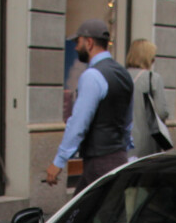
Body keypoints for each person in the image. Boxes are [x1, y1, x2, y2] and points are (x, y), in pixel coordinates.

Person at [45, 19, 133, 192]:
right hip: (118, 157)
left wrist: (59, 161)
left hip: (98, 161)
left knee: (90, 216)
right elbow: (128, 121)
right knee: (82, 214)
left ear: (89, 42)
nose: (76, 47)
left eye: (78, 42)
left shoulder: (92, 76)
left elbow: (79, 122)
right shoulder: (124, 74)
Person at [125, 38, 169, 159]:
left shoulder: (121, 76)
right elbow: (161, 112)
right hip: (146, 144)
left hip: (122, 144)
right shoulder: (153, 78)